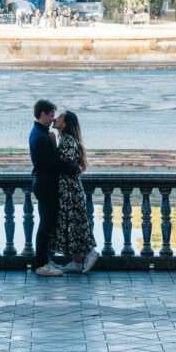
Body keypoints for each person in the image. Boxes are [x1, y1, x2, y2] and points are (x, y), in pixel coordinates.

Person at [29, 98, 80, 277]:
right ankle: (41, 264)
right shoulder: (42, 137)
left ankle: (43, 261)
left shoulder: (40, 133)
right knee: (45, 225)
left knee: (47, 225)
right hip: (46, 186)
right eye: (51, 115)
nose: (52, 119)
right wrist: (73, 167)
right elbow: (52, 164)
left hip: (44, 184)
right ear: (42, 114)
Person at [52, 111, 99, 274]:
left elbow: (64, 164)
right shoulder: (67, 140)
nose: (55, 119)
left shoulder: (67, 140)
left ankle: (90, 253)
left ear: (64, 124)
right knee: (73, 224)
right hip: (69, 188)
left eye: (58, 118)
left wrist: (51, 146)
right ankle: (77, 262)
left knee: (76, 223)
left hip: (70, 189)